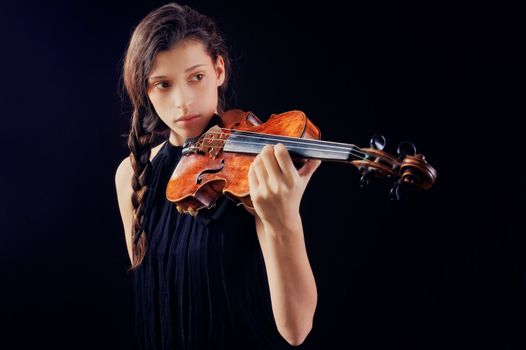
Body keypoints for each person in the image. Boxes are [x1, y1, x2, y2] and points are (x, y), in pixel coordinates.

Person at [114, 3, 321, 349]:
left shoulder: (251, 169)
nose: (183, 101)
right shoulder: (132, 176)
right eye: (163, 85)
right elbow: (160, 298)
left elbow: (296, 329)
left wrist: (284, 220)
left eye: (197, 77)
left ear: (219, 69)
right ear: (146, 92)